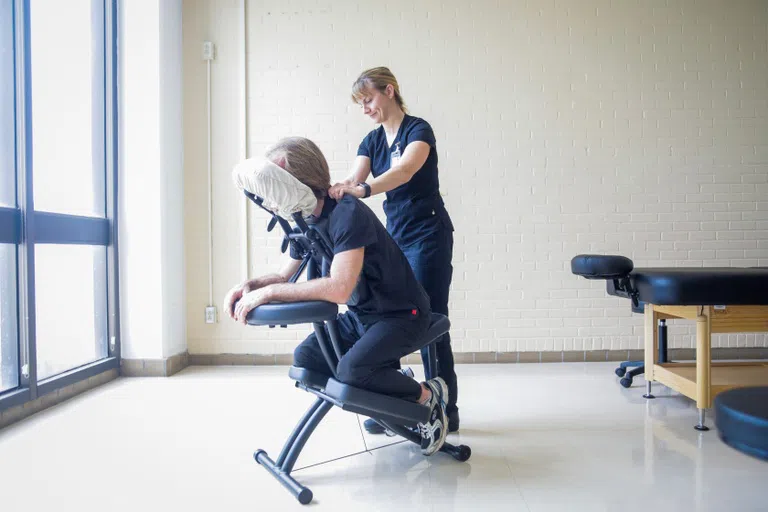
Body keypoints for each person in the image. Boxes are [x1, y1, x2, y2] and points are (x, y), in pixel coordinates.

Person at [223, 136, 449, 456]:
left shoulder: (346, 213)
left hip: (402, 315)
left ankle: (426, 395)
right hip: (363, 318)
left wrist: (273, 293)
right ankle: (391, 395)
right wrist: (253, 286)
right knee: (308, 359)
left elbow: (339, 288)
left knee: (352, 373)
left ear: (297, 178)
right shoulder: (307, 221)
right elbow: (284, 275)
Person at [329, 67, 459, 434]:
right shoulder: (371, 141)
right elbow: (354, 178)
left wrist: (366, 190)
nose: (365, 108)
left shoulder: (418, 130)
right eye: (361, 103)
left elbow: (404, 170)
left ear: (389, 91)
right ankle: (396, 406)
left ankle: (446, 410)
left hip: (428, 236)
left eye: (368, 99)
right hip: (395, 240)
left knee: (431, 321)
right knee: (392, 321)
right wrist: (339, 188)